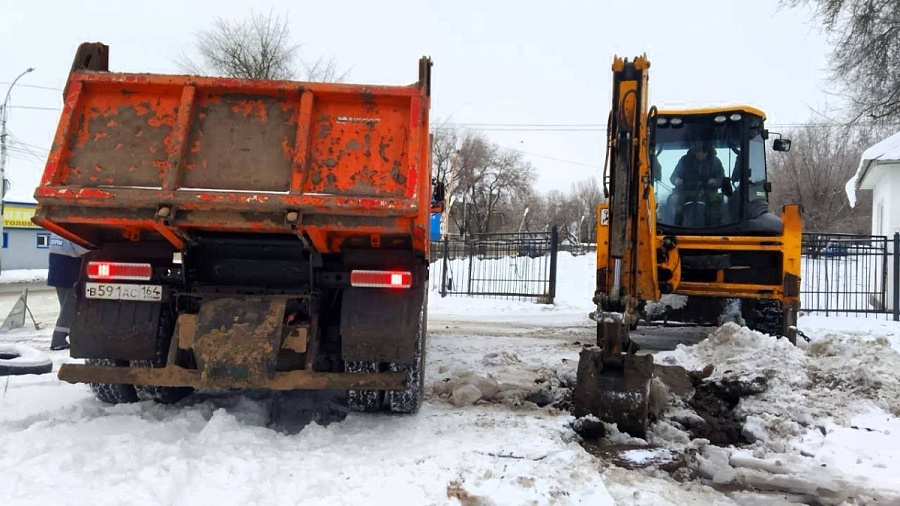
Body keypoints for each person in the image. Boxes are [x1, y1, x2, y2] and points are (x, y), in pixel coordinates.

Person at [668, 141, 726, 226]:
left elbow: (722, 179)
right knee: (674, 200)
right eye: (698, 152)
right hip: (685, 191)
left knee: (716, 199)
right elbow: (673, 177)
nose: (700, 154)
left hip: (708, 191)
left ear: (708, 152)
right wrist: (676, 180)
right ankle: (675, 225)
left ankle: (714, 226)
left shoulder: (715, 162)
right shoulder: (684, 160)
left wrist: (716, 181)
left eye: (703, 152)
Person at [47, 233, 89, 350]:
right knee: (69, 310)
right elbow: (78, 249)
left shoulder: (55, 233)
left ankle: (73, 338)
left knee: (66, 308)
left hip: (58, 275)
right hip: (69, 276)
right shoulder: (68, 233)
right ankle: (58, 340)